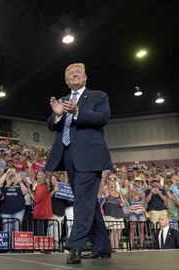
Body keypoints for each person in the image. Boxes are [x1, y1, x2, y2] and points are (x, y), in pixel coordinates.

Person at [44, 63, 112, 264]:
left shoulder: (99, 96)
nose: (74, 75)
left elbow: (103, 117)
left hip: (90, 157)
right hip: (68, 157)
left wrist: (78, 111)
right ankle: (101, 246)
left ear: (85, 77)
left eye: (78, 73)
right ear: (66, 80)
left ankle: (76, 246)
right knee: (87, 201)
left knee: (82, 201)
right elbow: (51, 125)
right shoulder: (63, 99)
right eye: (70, 74)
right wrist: (57, 114)